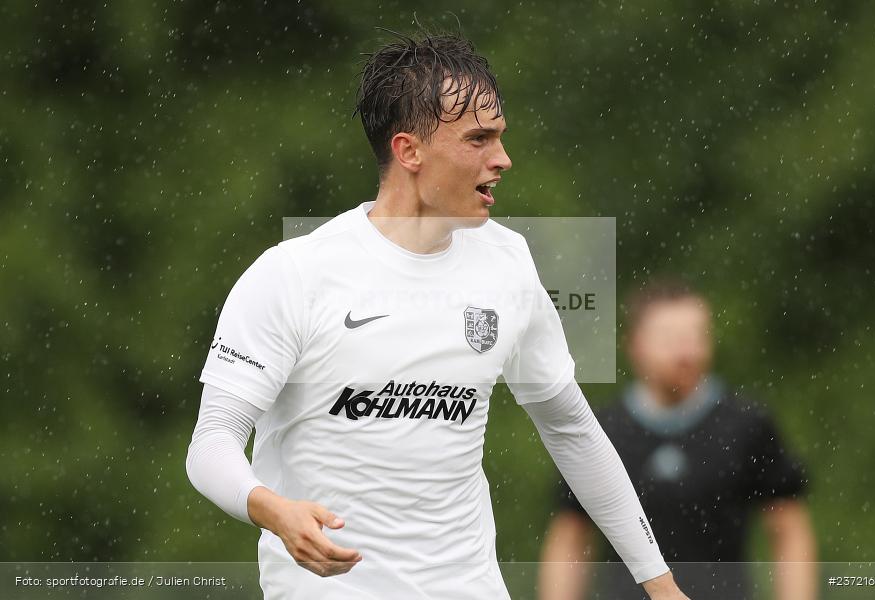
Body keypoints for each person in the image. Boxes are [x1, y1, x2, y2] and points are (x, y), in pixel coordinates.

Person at [185, 29, 689, 600]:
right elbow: (211, 445)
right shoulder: (294, 274)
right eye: (479, 139)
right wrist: (273, 511)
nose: (503, 159)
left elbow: (571, 428)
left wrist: (661, 584)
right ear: (409, 151)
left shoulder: (509, 261)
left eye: (500, 137)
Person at [538, 280, 818, 600]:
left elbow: (789, 532)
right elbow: (570, 539)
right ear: (634, 344)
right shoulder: (601, 431)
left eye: (695, 337)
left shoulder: (747, 425)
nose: (686, 352)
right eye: (669, 338)